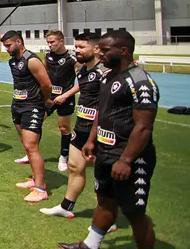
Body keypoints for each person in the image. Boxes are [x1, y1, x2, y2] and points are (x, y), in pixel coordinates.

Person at [57, 30, 158, 249]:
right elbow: (102, 112)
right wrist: (92, 140)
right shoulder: (109, 75)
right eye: (99, 49)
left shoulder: (140, 82)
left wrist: (126, 160)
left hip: (129, 157)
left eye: (105, 50)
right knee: (105, 201)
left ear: (123, 51)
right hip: (105, 152)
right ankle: (89, 245)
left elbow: (143, 127)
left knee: (134, 213)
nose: (99, 54)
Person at [40, 33, 118, 233]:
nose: (77, 50)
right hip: (82, 126)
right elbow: (81, 86)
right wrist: (66, 94)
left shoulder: (106, 72)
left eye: (82, 47)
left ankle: (109, 218)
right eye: (76, 46)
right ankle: (66, 207)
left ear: (96, 49)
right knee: (75, 167)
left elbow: (108, 105)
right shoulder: (83, 70)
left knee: (102, 176)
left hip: (101, 131)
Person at [2, 30, 52, 202]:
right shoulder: (12, 61)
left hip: (32, 107)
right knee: (26, 144)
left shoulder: (31, 60)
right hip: (17, 105)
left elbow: (46, 84)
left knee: (31, 146)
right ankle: (35, 179)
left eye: (8, 45)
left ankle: (40, 189)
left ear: (18, 41)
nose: (7, 49)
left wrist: (44, 102)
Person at [39, 29, 78, 172]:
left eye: (52, 42)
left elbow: (81, 83)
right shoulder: (47, 55)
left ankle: (63, 157)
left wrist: (65, 96)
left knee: (64, 128)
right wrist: (46, 95)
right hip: (49, 97)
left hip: (65, 98)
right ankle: (31, 152)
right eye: (48, 42)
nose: (49, 45)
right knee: (36, 122)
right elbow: (44, 74)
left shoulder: (72, 58)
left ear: (61, 41)